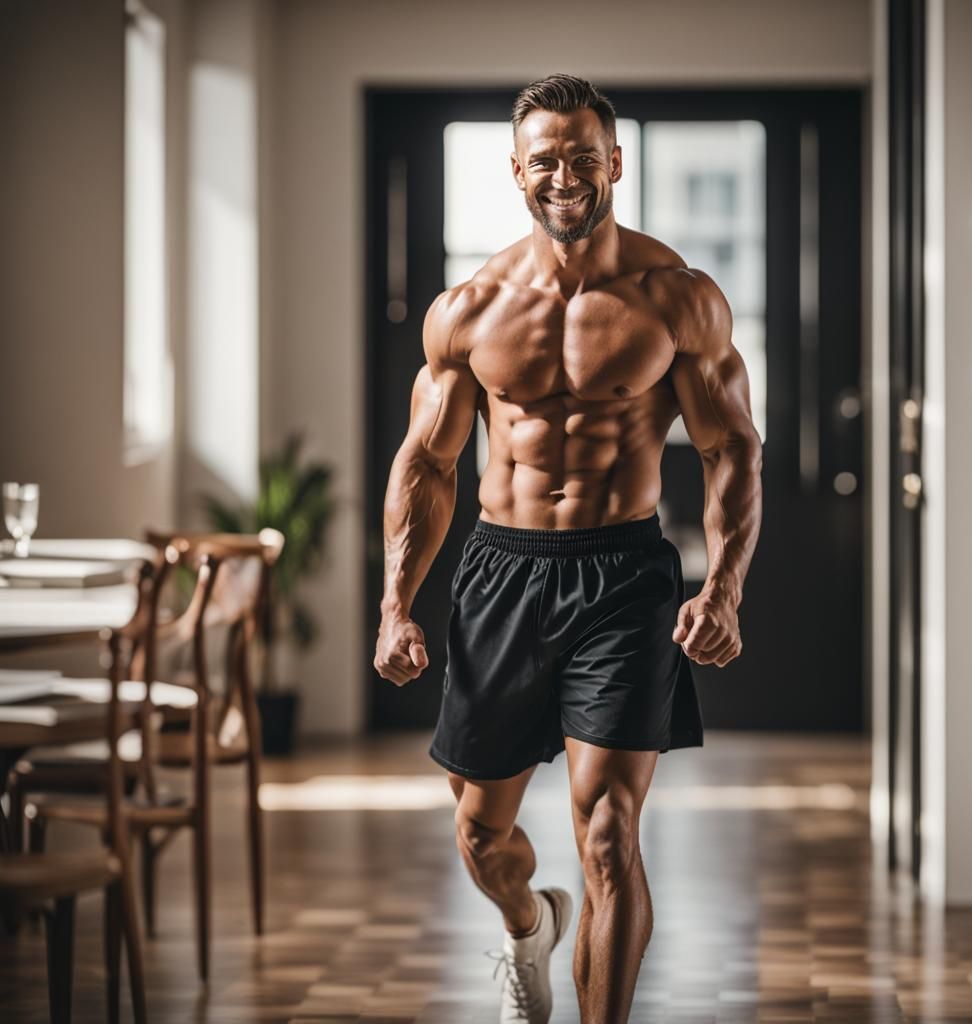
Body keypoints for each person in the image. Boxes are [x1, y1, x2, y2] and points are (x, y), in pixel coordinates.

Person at [374, 73, 763, 1024]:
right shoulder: (468, 309)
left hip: (625, 574)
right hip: (503, 572)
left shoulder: (679, 299)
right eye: (544, 159)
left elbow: (731, 447)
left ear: (615, 163)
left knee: (609, 833)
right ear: (517, 171)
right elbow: (427, 464)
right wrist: (394, 602)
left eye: (583, 157)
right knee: (481, 832)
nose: (564, 175)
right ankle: (525, 924)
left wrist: (724, 588)